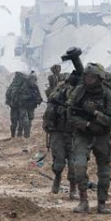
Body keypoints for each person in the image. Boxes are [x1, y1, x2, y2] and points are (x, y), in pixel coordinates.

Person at [69, 64, 111, 214]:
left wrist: (95, 113)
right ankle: (83, 201)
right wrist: (86, 124)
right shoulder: (79, 92)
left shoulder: (108, 94)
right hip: (83, 134)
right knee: (79, 166)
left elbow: (110, 119)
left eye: (92, 77)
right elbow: (70, 115)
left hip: (102, 135)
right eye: (86, 77)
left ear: (99, 78)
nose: (88, 80)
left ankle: (102, 203)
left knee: (104, 171)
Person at [43, 69, 79, 197]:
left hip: (74, 133)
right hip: (58, 132)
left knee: (74, 163)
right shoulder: (57, 95)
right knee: (59, 162)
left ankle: (73, 189)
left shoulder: (80, 94)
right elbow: (48, 115)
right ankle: (57, 179)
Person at [5, 72, 26, 138]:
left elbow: (7, 95)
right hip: (19, 107)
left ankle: (13, 136)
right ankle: (17, 136)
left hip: (14, 107)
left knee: (15, 122)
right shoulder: (24, 85)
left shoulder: (13, 85)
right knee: (20, 122)